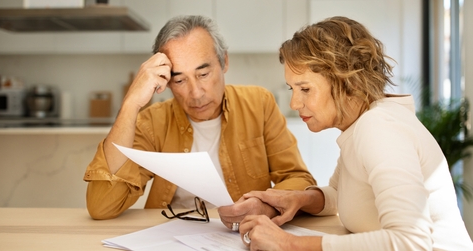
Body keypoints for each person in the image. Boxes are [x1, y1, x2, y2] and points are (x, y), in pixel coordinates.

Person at [237, 16, 473, 251]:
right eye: (292, 89)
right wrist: (298, 199)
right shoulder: (361, 125)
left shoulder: (379, 129)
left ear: (351, 83)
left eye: (305, 89)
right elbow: (342, 196)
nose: (294, 103)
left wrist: (289, 243)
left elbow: (411, 241)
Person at [83, 15, 316, 221]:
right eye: (180, 80)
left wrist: (265, 205)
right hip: (171, 237)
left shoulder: (259, 104)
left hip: (240, 236)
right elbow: (102, 207)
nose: (196, 93)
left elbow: (299, 179)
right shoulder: (152, 122)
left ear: (224, 62)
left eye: (203, 74)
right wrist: (130, 104)